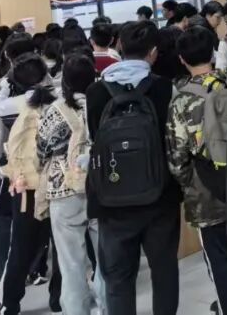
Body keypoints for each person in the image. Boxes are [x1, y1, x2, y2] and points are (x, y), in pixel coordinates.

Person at [87, 21, 181, 315]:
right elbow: (173, 141)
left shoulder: (95, 92)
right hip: (160, 195)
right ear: (153, 52)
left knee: (118, 279)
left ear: (119, 47)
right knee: (164, 271)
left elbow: (93, 141)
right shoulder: (164, 88)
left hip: (111, 198)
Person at [168, 26, 227, 315]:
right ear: (213, 53)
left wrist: (188, 183)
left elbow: (177, 155)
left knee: (218, 258)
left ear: (182, 59)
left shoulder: (181, 99)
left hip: (205, 191)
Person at [37, 53, 105, 315]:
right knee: (106, 259)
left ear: (64, 80)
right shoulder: (103, 103)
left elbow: (42, 149)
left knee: (71, 263)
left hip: (64, 188)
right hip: (100, 185)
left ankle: (76, 310)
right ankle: (109, 306)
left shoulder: (56, 111)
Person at [0, 53, 57, 315]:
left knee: (20, 245)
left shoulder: (10, 106)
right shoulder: (58, 100)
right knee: (62, 245)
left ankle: (8, 302)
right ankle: (58, 298)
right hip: (57, 180)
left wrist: (5, 84)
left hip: (25, 185)